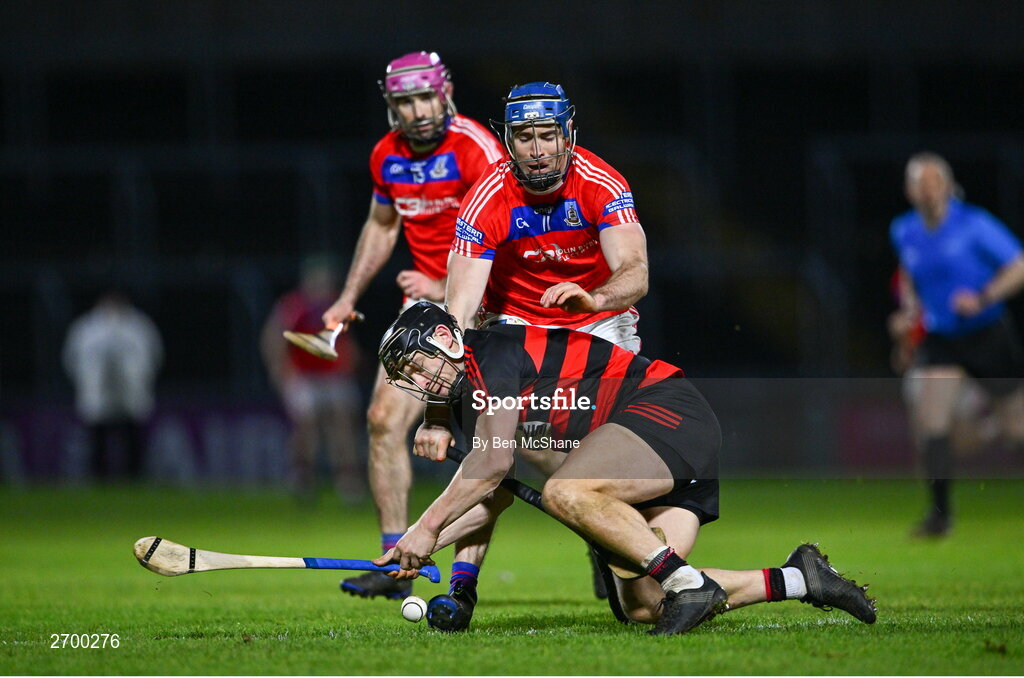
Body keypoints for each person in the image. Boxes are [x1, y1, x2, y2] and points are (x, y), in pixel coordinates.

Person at [370, 302, 877, 634]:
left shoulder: (493, 351)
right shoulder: (470, 400)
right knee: (641, 604)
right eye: (409, 375)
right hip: (636, 469)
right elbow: (493, 493)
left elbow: (492, 463)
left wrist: (423, 526)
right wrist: (423, 546)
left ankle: (689, 583)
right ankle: (800, 577)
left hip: (666, 412)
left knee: (565, 492)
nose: (421, 379)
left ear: (445, 338)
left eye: (418, 363)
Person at [321, 51, 504, 599]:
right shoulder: (387, 155)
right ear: (391, 106)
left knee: (505, 449)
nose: (419, 111)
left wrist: (445, 289)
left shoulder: (477, 149)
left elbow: (503, 237)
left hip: (488, 307)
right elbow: (381, 226)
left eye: (425, 97)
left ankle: (596, 538)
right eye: (405, 102)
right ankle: (394, 561)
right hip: (426, 313)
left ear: (444, 93)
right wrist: (348, 296)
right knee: (381, 418)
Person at [445, 82, 648, 354]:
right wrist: (454, 356)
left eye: (547, 136)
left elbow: (635, 271)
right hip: (515, 322)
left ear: (567, 134)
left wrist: (594, 299)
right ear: (509, 140)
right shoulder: (485, 198)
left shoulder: (602, 185)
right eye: (524, 138)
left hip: (597, 319)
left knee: (617, 394)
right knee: (496, 393)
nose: (537, 151)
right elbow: (461, 307)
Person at [890, 152, 1024, 537]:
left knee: (1017, 431)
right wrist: (910, 312)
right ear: (909, 190)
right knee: (932, 423)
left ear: (947, 187)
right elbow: (910, 275)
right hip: (943, 337)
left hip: (987, 332)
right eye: (921, 183)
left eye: (935, 182)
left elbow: (1018, 266)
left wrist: (983, 297)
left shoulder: (974, 223)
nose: (929, 190)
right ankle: (939, 516)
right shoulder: (903, 229)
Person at [261, 257, 364, 502]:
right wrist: (279, 368)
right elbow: (274, 337)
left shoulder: (336, 306)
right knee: (306, 425)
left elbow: (346, 341)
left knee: (343, 426)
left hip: (333, 374)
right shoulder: (294, 305)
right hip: (304, 375)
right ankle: (302, 476)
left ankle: (348, 480)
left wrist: (354, 361)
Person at [62, 289, 163, 480]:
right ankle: (98, 478)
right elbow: (71, 359)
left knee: (132, 439)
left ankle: (135, 478)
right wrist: (85, 385)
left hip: (131, 394)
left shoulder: (139, 326)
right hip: (96, 395)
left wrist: (142, 383)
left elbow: (154, 356)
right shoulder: (86, 327)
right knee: (97, 440)